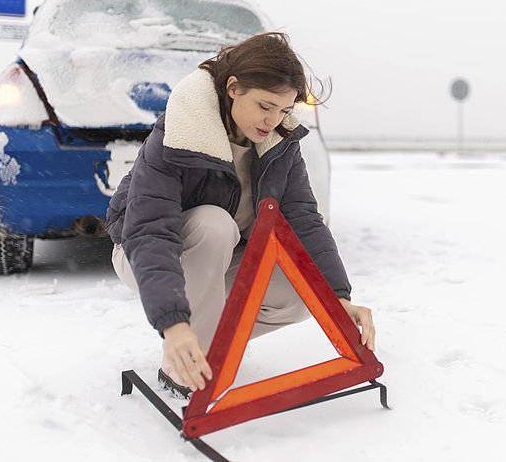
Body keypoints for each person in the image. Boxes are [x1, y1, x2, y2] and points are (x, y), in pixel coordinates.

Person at [106, 32, 375, 398]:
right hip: (143, 252)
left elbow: (304, 219)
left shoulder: (279, 143)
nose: (273, 120)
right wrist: (173, 324)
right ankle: (185, 366)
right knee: (214, 224)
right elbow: (151, 230)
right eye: (265, 106)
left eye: (283, 110)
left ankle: (203, 346)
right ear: (234, 88)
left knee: (302, 291)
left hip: (218, 262)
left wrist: (338, 298)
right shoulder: (181, 131)